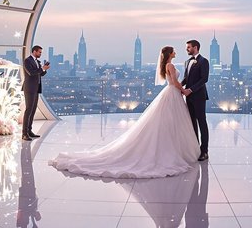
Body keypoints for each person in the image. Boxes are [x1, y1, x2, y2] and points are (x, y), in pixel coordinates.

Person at [49, 46, 199, 177]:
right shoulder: (170, 66)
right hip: (173, 92)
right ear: (169, 53)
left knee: (167, 122)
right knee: (172, 123)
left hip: (171, 93)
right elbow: (174, 82)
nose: (176, 52)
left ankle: (171, 149)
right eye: (173, 51)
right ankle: (173, 151)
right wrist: (184, 90)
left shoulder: (165, 65)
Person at [181, 39, 210, 161]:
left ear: (196, 47)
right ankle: (195, 149)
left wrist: (190, 90)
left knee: (201, 122)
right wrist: (178, 86)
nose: (187, 49)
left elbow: (204, 79)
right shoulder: (187, 61)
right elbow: (186, 79)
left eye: (188, 47)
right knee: (192, 122)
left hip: (198, 96)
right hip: (189, 97)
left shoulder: (204, 61)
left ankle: (204, 151)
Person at [21, 45, 49, 141]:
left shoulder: (37, 62)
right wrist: (42, 69)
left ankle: (29, 131)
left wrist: (44, 69)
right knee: (28, 110)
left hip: (36, 88)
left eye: (41, 52)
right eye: (39, 52)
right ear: (34, 51)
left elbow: (40, 74)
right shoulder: (27, 61)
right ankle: (24, 134)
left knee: (33, 110)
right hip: (29, 88)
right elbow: (31, 73)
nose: (40, 54)